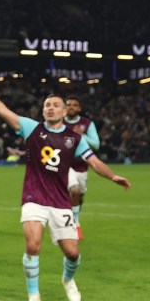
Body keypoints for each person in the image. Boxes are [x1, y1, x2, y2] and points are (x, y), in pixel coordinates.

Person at [0, 69, 130, 301]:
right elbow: (3, 111)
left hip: (60, 202)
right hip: (33, 197)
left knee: (72, 253)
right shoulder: (31, 128)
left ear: (65, 111)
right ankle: (33, 295)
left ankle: (68, 279)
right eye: (47, 105)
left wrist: (113, 176)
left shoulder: (75, 139)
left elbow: (94, 162)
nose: (50, 108)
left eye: (55, 105)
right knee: (33, 244)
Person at [64, 96, 101, 239]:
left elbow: (96, 144)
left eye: (74, 105)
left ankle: (73, 215)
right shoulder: (59, 122)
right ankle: (75, 223)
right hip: (64, 164)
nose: (71, 107)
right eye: (68, 105)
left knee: (79, 195)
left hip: (82, 165)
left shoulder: (86, 123)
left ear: (79, 109)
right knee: (74, 189)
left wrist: (82, 136)